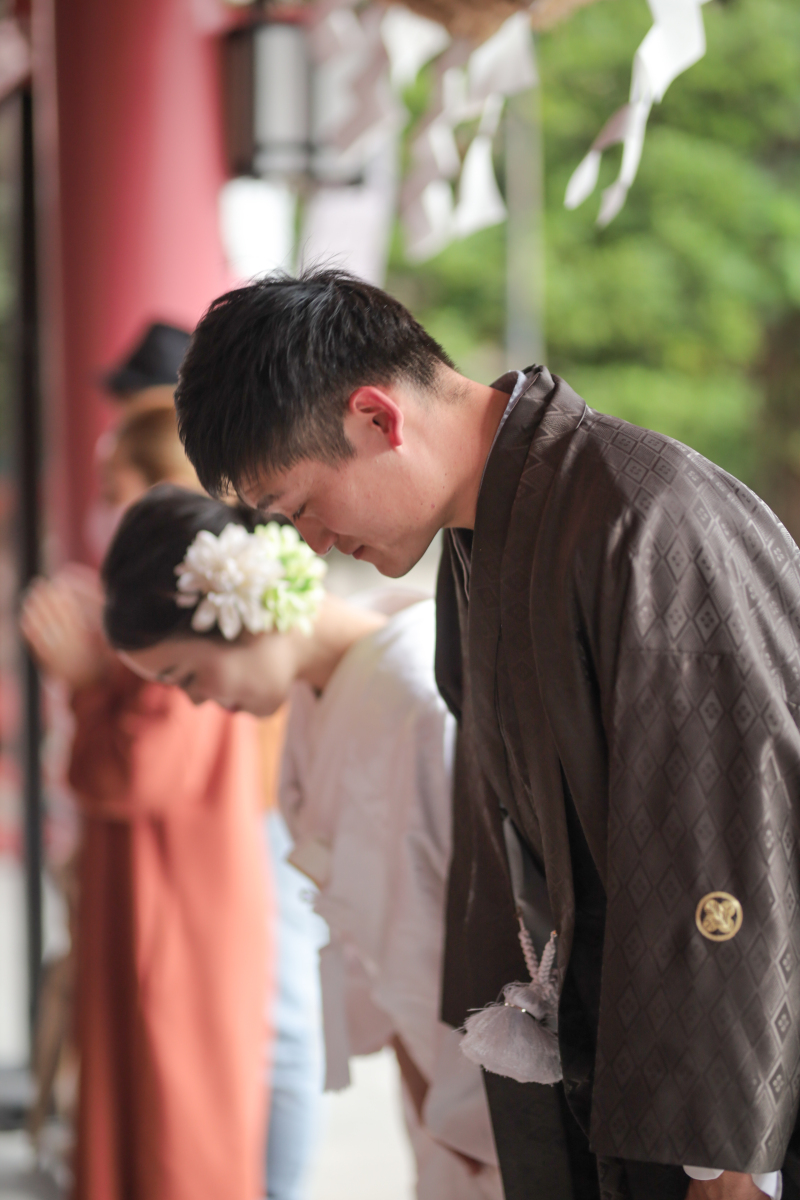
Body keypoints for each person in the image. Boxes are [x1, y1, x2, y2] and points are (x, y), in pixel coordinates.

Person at [172, 269, 800, 1200]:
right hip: (620, 1072)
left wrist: (726, 1157)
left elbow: (723, 843)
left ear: (377, 418)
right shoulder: (483, 536)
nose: (306, 545)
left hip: (721, 1109)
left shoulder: (643, 517)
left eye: (298, 506)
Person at [101, 485, 504, 1200]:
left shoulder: (417, 688)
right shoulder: (316, 701)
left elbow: (481, 926)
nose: (196, 702)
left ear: (240, 607)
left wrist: (467, 1109)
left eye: (186, 676)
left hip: (490, 1075)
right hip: (435, 1072)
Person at [21, 409, 270, 1200]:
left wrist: (85, 685)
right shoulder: (150, 603)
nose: (103, 508)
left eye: (113, 489)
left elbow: (133, 775)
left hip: (180, 903)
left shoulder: (184, 608)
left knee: (177, 1122)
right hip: (146, 895)